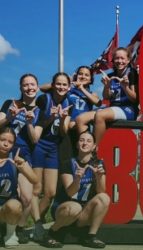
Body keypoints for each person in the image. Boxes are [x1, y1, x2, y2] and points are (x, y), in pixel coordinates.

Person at [42, 130, 110, 248]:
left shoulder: (98, 164)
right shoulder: (68, 163)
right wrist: (77, 178)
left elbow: (101, 192)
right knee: (75, 207)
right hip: (65, 209)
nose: (85, 143)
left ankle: (90, 236)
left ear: (94, 146)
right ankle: (51, 233)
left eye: (89, 141)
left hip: (84, 212)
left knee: (104, 198)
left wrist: (99, 177)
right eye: (82, 140)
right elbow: (70, 192)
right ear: (77, 144)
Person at [30, 72, 72, 242]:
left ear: (69, 87)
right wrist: (52, 116)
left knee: (50, 192)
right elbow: (39, 125)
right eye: (59, 84)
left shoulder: (69, 103)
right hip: (39, 145)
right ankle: (37, 225)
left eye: (65, 85)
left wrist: (62, 119)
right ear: (53, 85)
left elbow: (63, 131)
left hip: (54, 148)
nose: (61, 87)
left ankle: (36, 225)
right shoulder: (44, 100)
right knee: (37, 189)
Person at [0, 73, 40, 244]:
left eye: (32, 84)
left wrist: (29, 122)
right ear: (20, 88)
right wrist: (9, 117)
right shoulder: (10, 103)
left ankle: (17, 229)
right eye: (25, 85)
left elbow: (35, 139)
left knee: (26, 197)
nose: (29, 88)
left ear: (37, 87)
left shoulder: (40, 110)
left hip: (23, 155)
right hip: (4, 151)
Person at [90, 47, 138, 145]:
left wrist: (125, 87)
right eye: (117, 58)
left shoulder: (132, 73)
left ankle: (96, 150)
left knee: (99, 115)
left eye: (122, 58)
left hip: (128, 109)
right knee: (81, 119)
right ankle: (83, 149)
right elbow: (106, 97)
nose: (119, 61)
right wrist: (107, 86)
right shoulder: (111, 75)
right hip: (113, 108)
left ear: (128, 60)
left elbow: (135, 99)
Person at [0, 127, 38, 247]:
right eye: (2, 140)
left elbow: (34, 179)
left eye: (10, 142)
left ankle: (10, 235)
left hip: (6, 210)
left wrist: (23, 168)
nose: (6, 144)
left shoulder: (15, 160)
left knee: (15, 205)